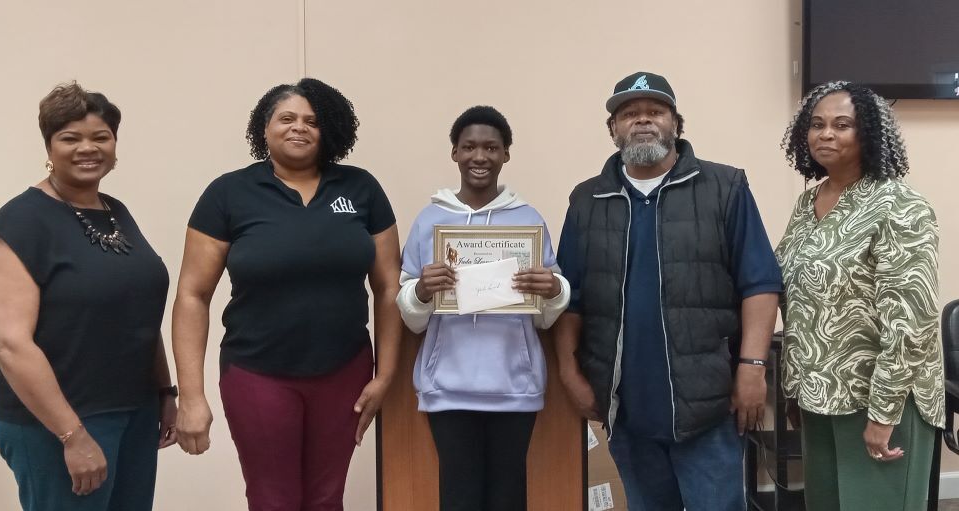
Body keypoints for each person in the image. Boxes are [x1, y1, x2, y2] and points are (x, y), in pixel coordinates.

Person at [553, 71, 783, 511]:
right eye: (629, 114)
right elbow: (570, 296)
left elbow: (760, 283)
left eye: (655, 111)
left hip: (708, 406)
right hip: (625, 408)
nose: (642, 120)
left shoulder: (724, 187)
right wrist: (569, 374)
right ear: (613, 129)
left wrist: (752, 368)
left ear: (676, 124)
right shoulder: (587, 199)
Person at [172, 78, 402, 511]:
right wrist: (192, 394)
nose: (300, 128)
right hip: (257, 373)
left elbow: (389, 286)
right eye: (287, 118)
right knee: (273, 499)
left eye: (313, 121)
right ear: (265, 127)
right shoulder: (228, 193)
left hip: (345, 371)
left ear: (329, 130)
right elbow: (192, 294)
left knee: (325, 499)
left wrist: (385, 374)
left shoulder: (361, 189)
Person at [0, 82, 176, 510]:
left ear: (115, 144)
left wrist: (165, 392)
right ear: (49, 145)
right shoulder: (21, 220)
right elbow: (10, 345)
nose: (88, 148)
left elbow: (137, 311)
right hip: (61, 422)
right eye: (71, 137)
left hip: (134, 410)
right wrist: (73, 435)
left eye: (100, 137)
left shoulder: (115, 211)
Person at [776, 81, 943, 511]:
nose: (825, 134)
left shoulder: (899, 205)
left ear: (868, 133)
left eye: (841, 124)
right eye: (816, 125)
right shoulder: (808, 203)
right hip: (820, 396)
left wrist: (884, 412)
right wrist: (796, 387)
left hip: (881, 398)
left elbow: (912, 321)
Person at [396, 105, 569, 511]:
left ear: (506, 154)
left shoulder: (527, 220)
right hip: (448, 389)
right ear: (454, 153)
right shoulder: (430, 221)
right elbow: (409, 313)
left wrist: (553, 289)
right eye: (469, 146)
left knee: (509, 497)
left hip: (515, 386)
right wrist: (421, 291)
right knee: (458, 496)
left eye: (491, 147)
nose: (480, 156)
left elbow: (548, 310)